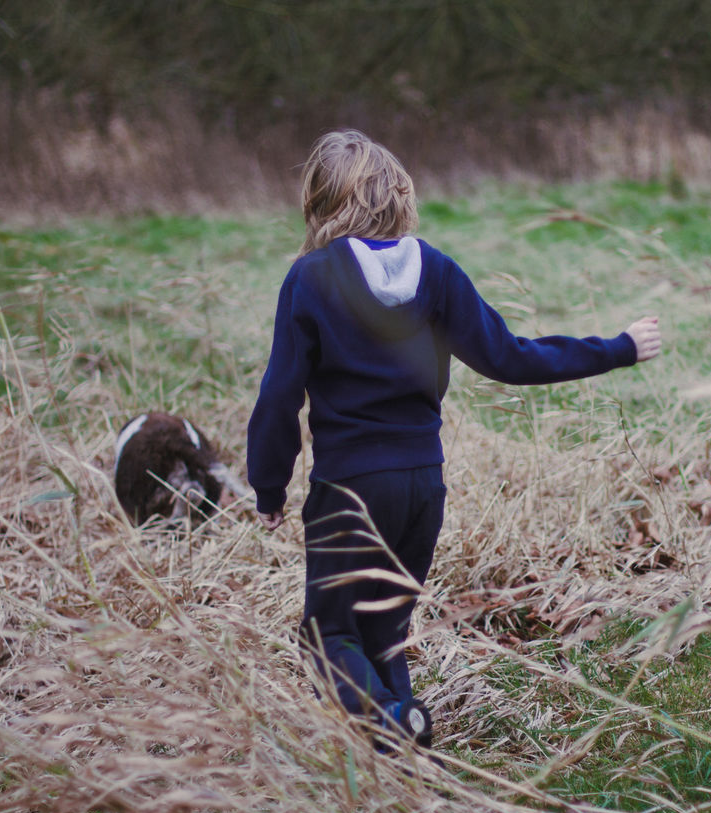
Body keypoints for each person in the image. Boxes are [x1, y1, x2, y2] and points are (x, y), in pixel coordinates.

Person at [247, 129, 661, 749]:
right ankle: (406, 746)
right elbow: (511, 357)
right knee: (385, 630)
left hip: (349, 491)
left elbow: (280, 395)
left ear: (320, 203)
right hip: (422, 486)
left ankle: (387, 726)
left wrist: (269, 484)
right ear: (398, 194)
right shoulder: (434, 270)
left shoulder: (310, 279)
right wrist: (618, 347)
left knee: (328, 637)